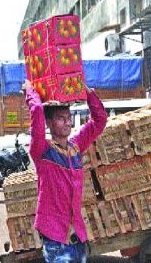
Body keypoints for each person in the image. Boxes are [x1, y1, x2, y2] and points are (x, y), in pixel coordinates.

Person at [22, 80, 107, 263]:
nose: (67, 122)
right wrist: (31, 93)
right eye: (61, 118)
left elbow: (99, 121)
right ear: (50, 123)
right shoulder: (42, 150)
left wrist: (86, 92)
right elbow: (37, 113)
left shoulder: (75, 147)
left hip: (78, 237)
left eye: (69, 118)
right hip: (55, 239)